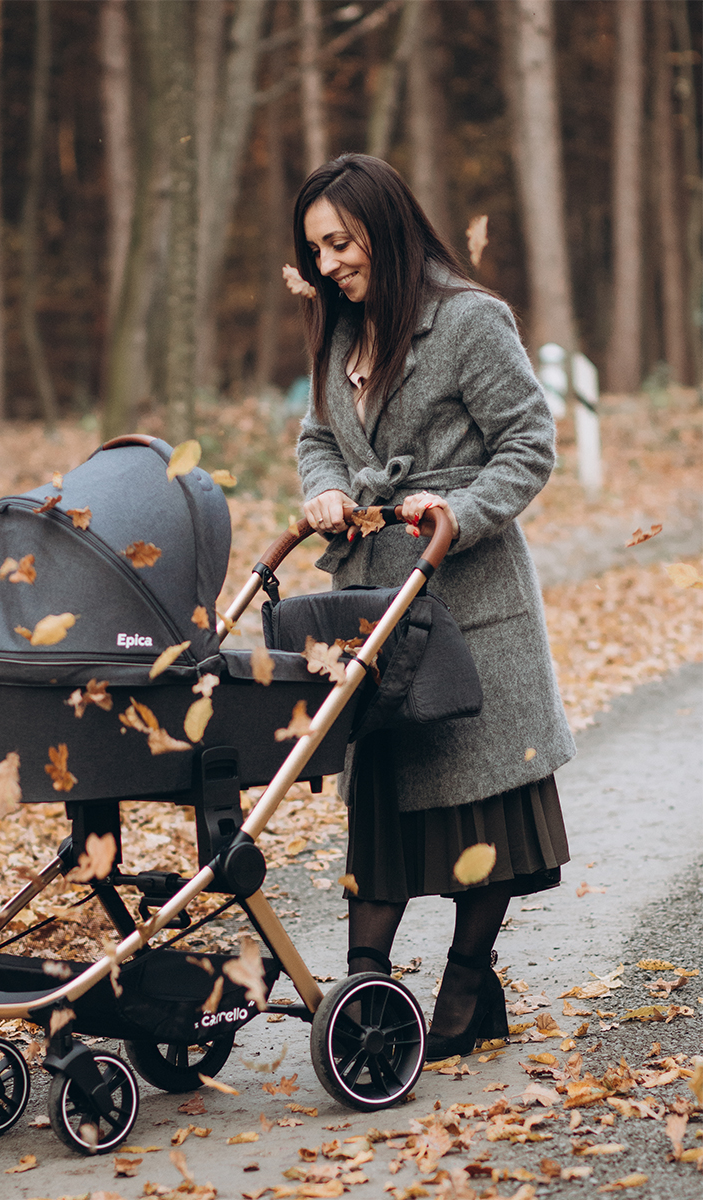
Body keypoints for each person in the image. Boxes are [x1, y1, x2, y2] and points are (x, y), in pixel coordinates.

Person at [290, 153, 575, 1060]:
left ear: (384, 222)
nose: (329, 263)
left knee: (474, 799)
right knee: (384, 797)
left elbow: (529, 443)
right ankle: (364, 990)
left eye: (340, 242)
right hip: (373, 596)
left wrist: (463, 512)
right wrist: (327, 490)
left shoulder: (470, 321)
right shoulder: (342, 333)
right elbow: (317, 437)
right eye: (317, 250)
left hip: (466, 590)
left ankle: (464, 985)